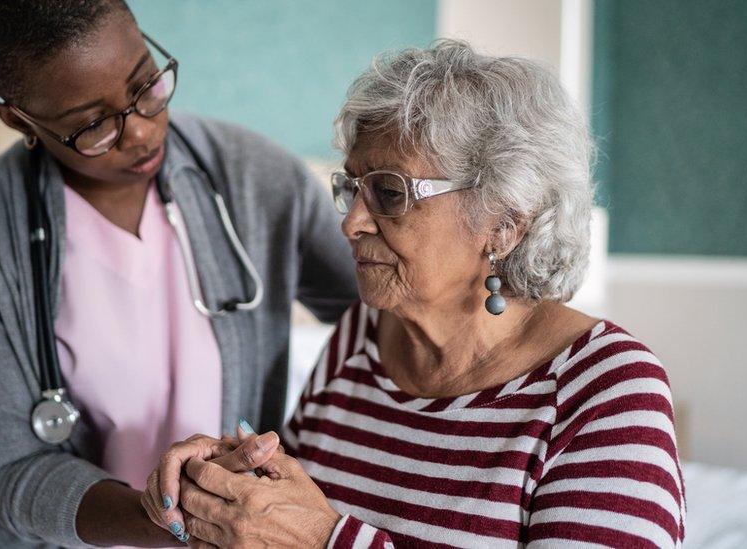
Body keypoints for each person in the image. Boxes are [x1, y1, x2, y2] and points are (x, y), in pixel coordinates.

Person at [145, 41, 686, 548]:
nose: (351, 223)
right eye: (352, 189)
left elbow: (312, 533)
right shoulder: (363, 335)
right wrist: (231, 479)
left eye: (388, 192)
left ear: (504, 223)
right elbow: (294, 510)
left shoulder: (607, 391)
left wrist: (326, 542)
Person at [0, 1, 356, 546]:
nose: (141, 133)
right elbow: (12, 468)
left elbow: (387, 318)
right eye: (93, 124)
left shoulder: (259, 181)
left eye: (146, 85)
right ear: (18, 120)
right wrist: (180, 521)